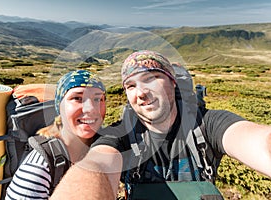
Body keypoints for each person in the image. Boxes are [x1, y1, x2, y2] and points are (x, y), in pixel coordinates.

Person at [50, 50, 271, 199]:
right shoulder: (120, 136)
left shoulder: (207, 124)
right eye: (131, 85)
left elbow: (258, 142)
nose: (142, 93)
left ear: (172, 81)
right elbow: (97, 167)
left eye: (151, 78)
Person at [5, 69, 106, 199]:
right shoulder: (39, 166)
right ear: (60, 106)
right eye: (78, 98)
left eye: (98, 99)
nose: (90, 108)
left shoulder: (104, 147)